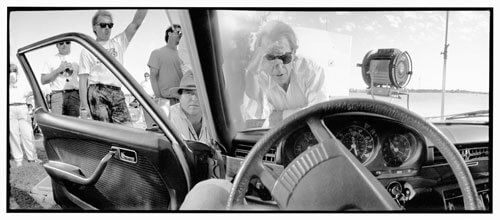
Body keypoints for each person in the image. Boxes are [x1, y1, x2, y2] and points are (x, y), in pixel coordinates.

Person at [242, 20, 328, 127]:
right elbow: (253, 114)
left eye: (284, 57)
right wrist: (251, 72)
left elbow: (320, 112)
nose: (278, 66)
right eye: (270, 57)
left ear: (294, 54)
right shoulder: (259, 74)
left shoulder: (310, 70)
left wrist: (281, 116)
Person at [79, 9, 147, 124]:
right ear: (94, 27)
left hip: (117, 92)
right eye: (103, 25)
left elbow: (136, 23)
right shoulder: (88, 50)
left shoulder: (118, 42)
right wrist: (84, 107)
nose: (107, 28)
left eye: (110, 25)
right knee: (105, 133)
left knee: (127, 131)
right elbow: (82, 79)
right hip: (97, 92)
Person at [148, 24, 190, 117]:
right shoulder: (157, 53)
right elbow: (153, 77)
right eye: (178, 32)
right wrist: (159, 98)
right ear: (169, 33)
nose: (180, 35)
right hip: (166, 101)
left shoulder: (183, 56)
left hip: (182, 100)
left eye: (181, 34)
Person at [9, 63, 41, 167]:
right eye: (10, 71)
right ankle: (18, 159)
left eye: (13, 71)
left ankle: (32, 157)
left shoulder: (23, 83)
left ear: (17, 72)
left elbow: (33, 91)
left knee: (27, 134)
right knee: (14, 135)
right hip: (10, 108)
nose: (12, 73)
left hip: (22, 107)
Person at [168, 72, 210, 144]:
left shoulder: (213, 118)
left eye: (199, 93)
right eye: (188, 93)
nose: (194, 98)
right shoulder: (169, 118)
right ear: (179, 97)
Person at [41, 40, 80, 117]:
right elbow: (43, 80)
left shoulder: (77, 59)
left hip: (74, 95)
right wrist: (58, 70)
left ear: (70, 44)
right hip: (57, 95)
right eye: (61, 43)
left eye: (67, 42)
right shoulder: (50, 60)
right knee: (58, 124)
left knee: (74, 125)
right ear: (57, 45)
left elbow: (84, 79)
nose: (64, 45)